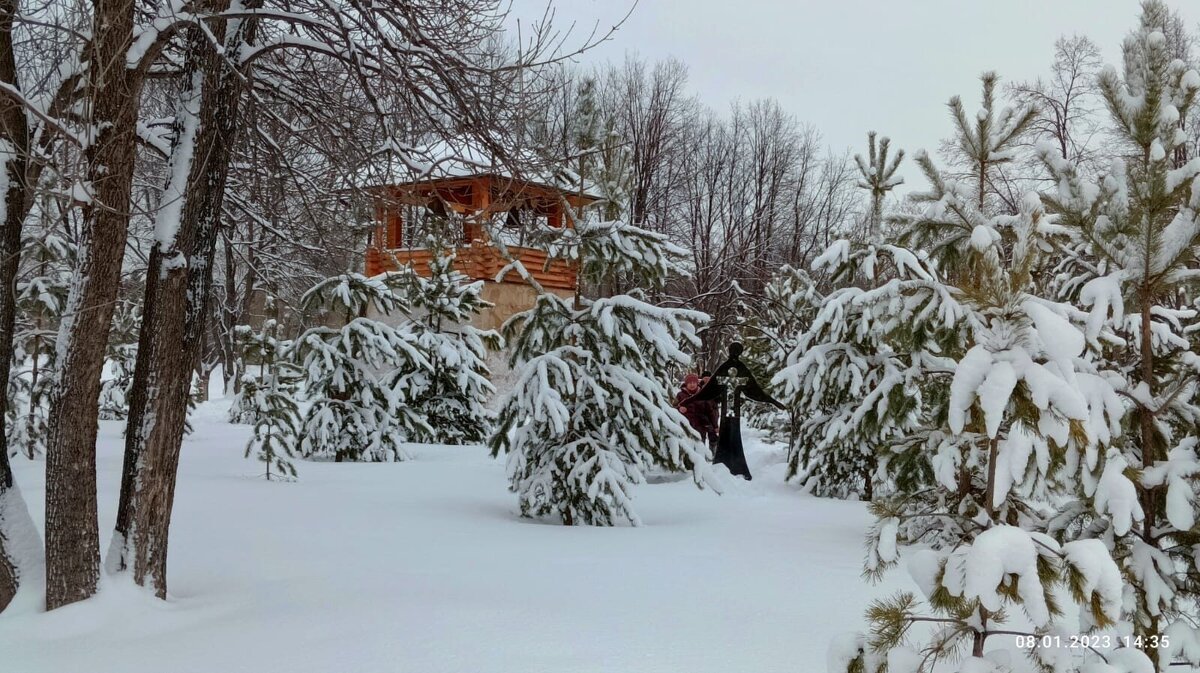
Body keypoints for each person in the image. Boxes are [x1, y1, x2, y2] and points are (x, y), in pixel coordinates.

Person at [676, 374, 718, 450]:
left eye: (694, 382)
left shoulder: (703, 395)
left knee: (700, 448)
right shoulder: (680, 395)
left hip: (700, 427)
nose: (692, 384)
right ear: (686, 384)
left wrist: (715, 426)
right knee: (687, 449)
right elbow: (672, 408)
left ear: (697, 383)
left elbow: (710, 411)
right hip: (686, 427)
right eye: (689, 383)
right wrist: (679, 408)